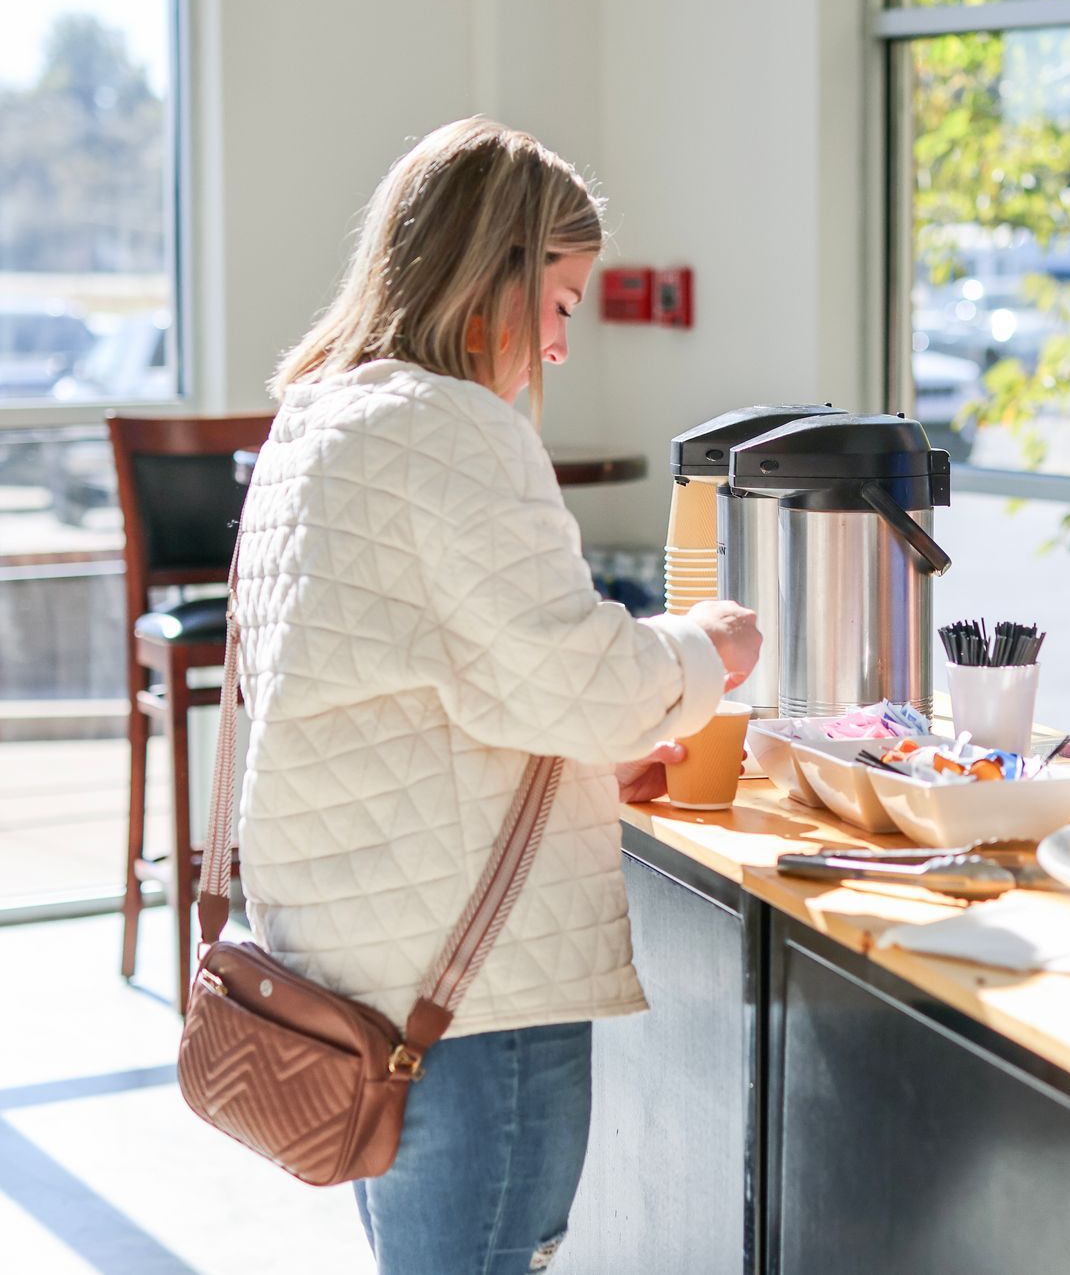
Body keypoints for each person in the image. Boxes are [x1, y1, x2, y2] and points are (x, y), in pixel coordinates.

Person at [230, 118, 761, 1273]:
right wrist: (707, 647)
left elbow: (402, 682)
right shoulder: (450, 425)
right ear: (493, 277)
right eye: (563, 303)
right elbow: (573, 676)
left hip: (356, 962)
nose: (563, 347)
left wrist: (573, 761)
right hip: (471, 993)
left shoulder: (319, 418)